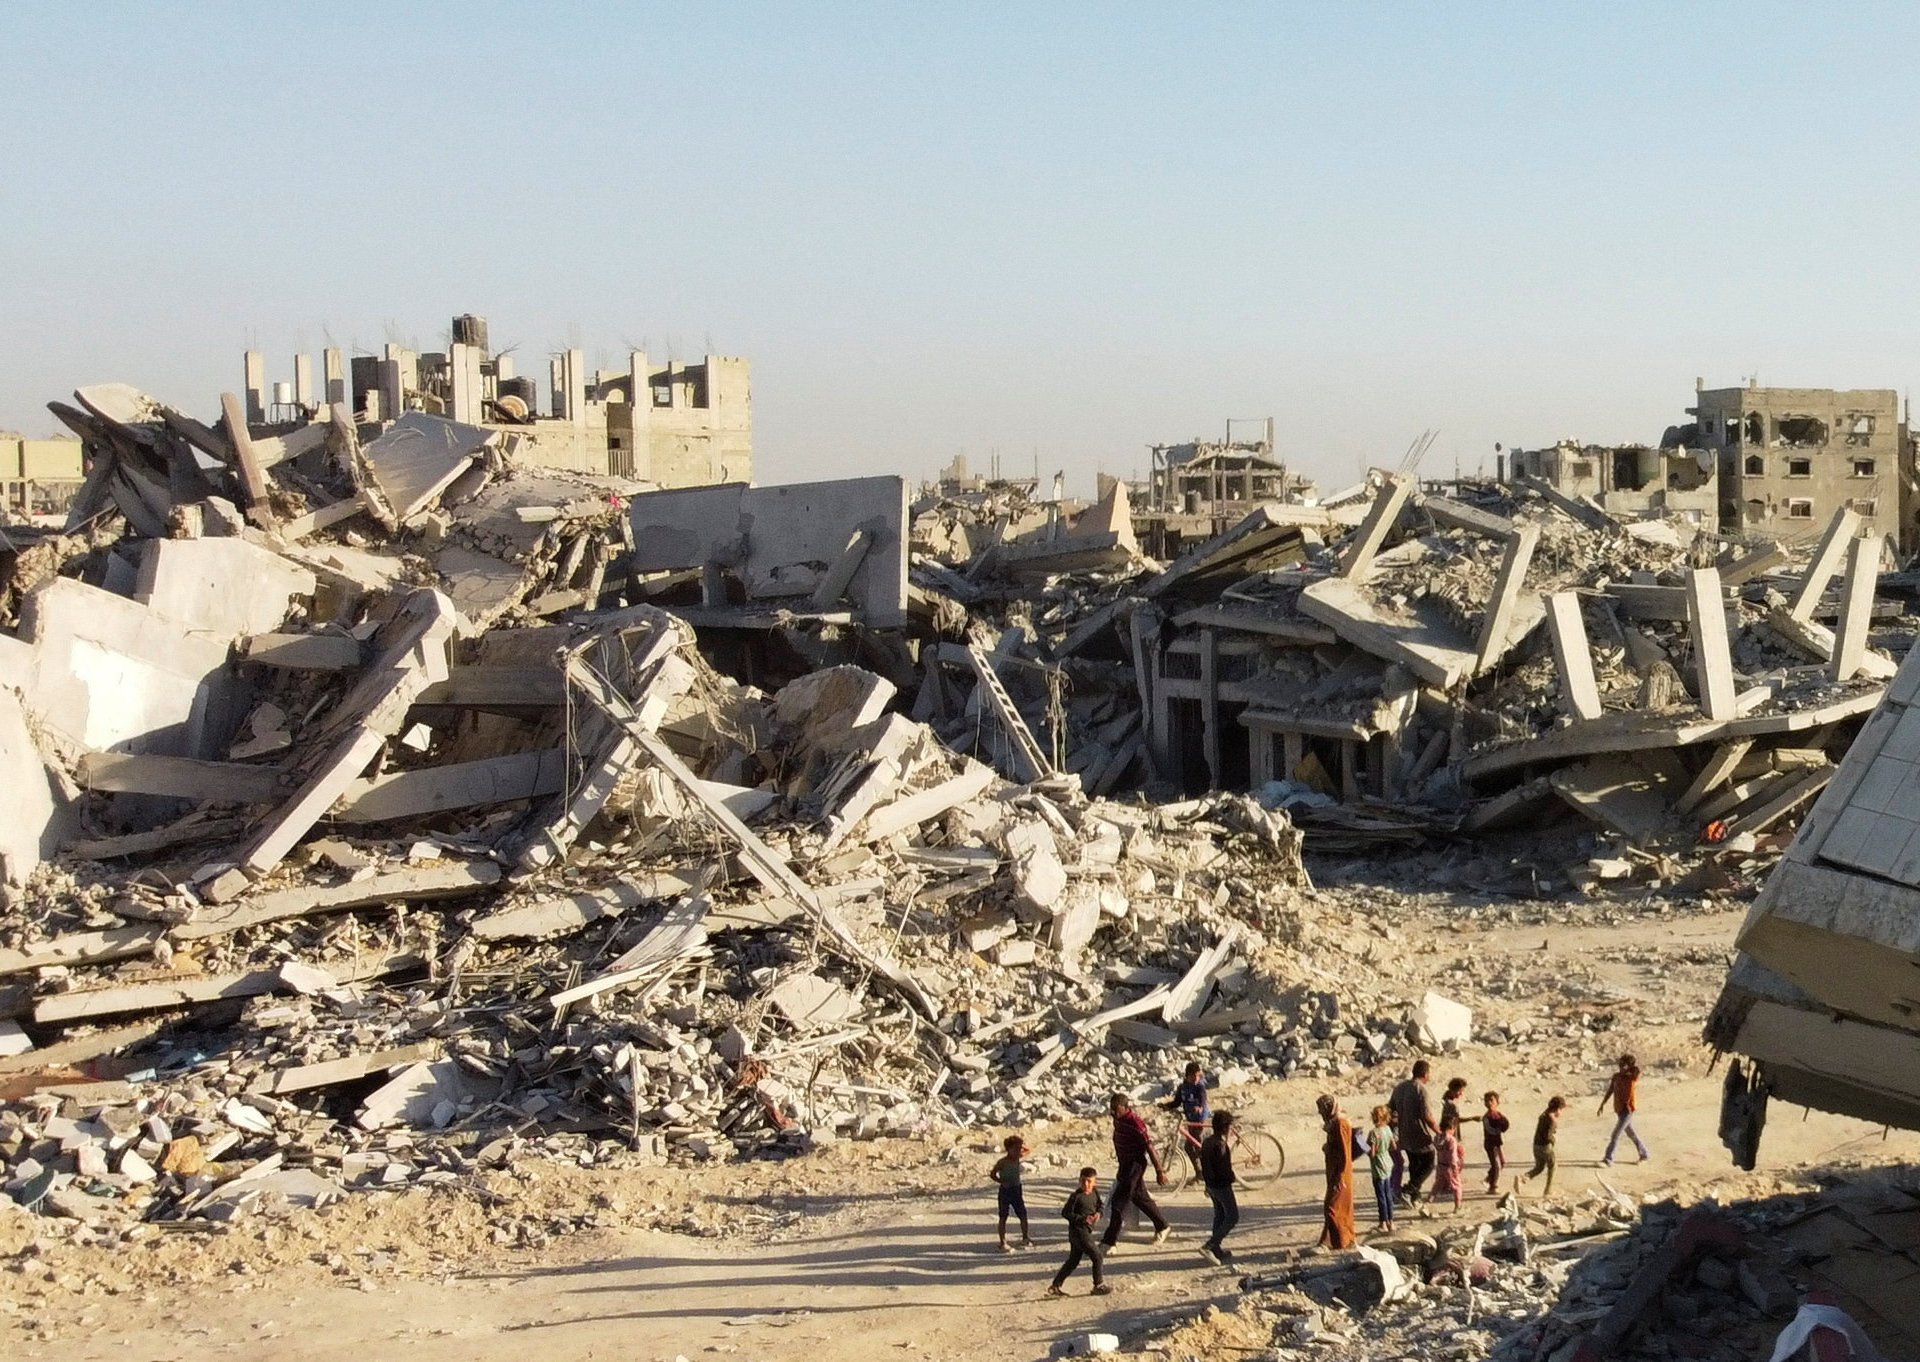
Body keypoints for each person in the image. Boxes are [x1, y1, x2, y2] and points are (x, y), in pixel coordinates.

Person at [1101, 1093, 1170, 1250]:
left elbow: (1149, 1146)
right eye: (1112, 1109)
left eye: (1117, 1110)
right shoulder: (1118, 1119)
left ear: (1126, 1108)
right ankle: (1162, 1225)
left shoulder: (1136, 1123)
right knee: (1139, 1197)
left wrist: (1160, 1171)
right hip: (1124, 1164)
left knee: (1118, 1202)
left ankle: (1109, 1241)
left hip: (1134, 1165)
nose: (1113, 1113)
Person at [1047, 1167, 1113, 1297]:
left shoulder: (1095, 1192)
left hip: (1085, 1232)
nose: (1086, 1184)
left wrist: (1099, 1214)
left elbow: (1100, 1206)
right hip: (1078, 1232)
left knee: (1073, 1261)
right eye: (1083, 1181)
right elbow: (1065, 1213)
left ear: (1095, 1182)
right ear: (1079, 1181)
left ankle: (1055, 1286)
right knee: (1097, 1256)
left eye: (1089, 1181)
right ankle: (1098, 1285)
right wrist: (1083, 1219)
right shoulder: (1076, 1197)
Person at [1388, 1061, 1438, 1205]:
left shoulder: (1400, 1087)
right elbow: (1427, 1115)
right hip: (1419, 1134)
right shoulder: (1420, 1090)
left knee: (1414, 1165)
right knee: (1428, 1163)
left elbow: (1390, 1108)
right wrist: (1438, 1131)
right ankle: (1408, 1189)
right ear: (1425, 1074)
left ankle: (1414, 1197)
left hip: (1404, 1134)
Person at [1198, 1111, 1240, 1265]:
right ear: (1224, 1128)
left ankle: (1216, 1249)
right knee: (1232, 1217)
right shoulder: (1220, 1145)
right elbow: (1223, 1168)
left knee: (1220, 1215)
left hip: (1211, 1185)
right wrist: (1231, 1177)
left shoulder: (1207, 1142)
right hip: (1221, 1186)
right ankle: (1209, 1245)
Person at [1317, 1094, 1357, 1250]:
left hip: (1341, 1172)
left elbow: (1344, 1152)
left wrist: (1340, 1176)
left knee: (1333, 1207)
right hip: (1335, 1170)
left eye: (1322, 1110)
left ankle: (1341, 1241)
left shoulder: (1340, 1124)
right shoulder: (1334, 1123)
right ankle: (1332, 1240)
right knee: (1338, 1207)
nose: (1320, 1113)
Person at [1598, 1054, 1651, 1167]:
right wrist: (1602, 1104)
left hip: (1627, 1111)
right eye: (1620, 1064)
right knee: (1631, 1134)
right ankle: (1644, 1154)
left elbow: (1637, 1071)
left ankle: (1608, 1159)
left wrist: (1630, 1068)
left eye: (1623, 1065)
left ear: (1629, 1066)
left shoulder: (1631, 1077)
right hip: (1619, 1109)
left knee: (1615, 1135)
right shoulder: (1616, 1077)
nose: (1621, 1067)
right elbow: (1610, 1090)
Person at [990, 1134, 1033, 1252]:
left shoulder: (1017, 1158)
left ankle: (1025, 1237)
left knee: (1023, 1214)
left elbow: (1028, 1150)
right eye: (1016, 1148)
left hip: (1016, 1190)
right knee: (1003, 1217)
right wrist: (1001, 1181)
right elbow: (993, 1174)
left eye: (1019, 1148)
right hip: (1005, 1191)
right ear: (1008, 1149)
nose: (1019, 1151)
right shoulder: (1002, 1162)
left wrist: (1022, 1145)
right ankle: (1002, 1242)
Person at [1515, 1096, 1566, 1197]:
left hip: (1536, 1146)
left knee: (1539, 1167)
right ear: (1558, 1109)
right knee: (1553, 1166)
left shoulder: (1543, 1115)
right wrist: (1553, 1140)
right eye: (1561, 1110)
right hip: (1545, 1147)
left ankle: (1523, 1178)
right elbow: (1548, 1136)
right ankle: (1548, 1191)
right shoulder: (1551, 1120)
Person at [1168, 1062, 1211, 1173]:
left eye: (1198, 1076)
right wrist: (1166, 1106)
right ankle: (1199, 1172)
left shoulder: (1199, 1086)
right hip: (1190, 1119)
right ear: (1187, 1076)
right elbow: (1177, 1102)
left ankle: (1208, 1171)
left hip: (1200, 1119)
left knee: (1198, 1145)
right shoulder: (1182, 1088)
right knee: (1188, 1147)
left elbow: (1203, 1099)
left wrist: (1200, 1107)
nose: (1196, 1078)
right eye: (1193, 1076)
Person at [1367, 1103, 1397, 1233]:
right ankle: (1391, 1221)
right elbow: (1394, 1146)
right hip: (1387, 1162)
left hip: (1378, 1166)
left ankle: (1383, 1223)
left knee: (1381, 1196)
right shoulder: (1388, 1130)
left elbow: (1372, 1153)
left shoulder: (1373, 1133)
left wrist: (1365, 1148)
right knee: (1388, 1194)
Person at [1431, 1114, 1464, 1213]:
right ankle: (1458, 1207)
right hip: (1449, 1167)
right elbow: (1452, 1156)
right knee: (1457, 1186)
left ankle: (1427, 1203)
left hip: (1440, 1165)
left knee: (1437, 1185)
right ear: (1452, 1128)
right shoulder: (1451, 1140)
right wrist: (1455, 1168)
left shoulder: (1437, 1138)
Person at [1482, 1091, 1511, 1196]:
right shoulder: (1486, 1117)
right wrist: (1498, 1128)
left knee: (1501, 1163)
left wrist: (1504, 1126)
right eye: (1486, 1101)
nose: (1489, 1103)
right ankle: (1493, 1186)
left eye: (1491, 1100)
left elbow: (1505, 1125)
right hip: (1490, 1144)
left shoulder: (1498, 1115)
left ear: (1497, 1102)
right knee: (1496, 1165)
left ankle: (1489, 1178)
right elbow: (1490, 1130)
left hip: (1497, 1143)